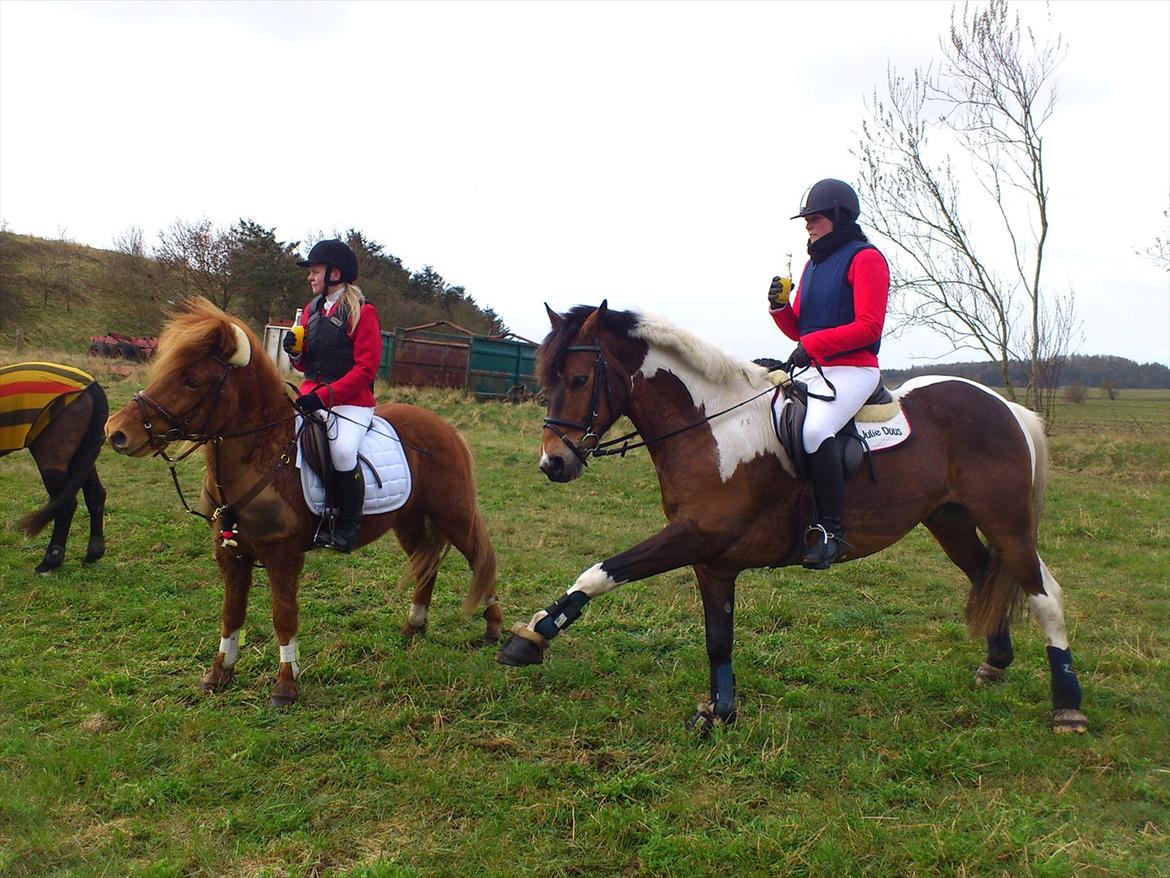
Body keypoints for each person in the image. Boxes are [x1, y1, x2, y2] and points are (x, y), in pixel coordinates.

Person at [768, 178, 890, 569]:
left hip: (854, 370)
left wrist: (813, 346)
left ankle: (831, 532)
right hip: (818, 368)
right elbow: (801, 330)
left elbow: (869, 326)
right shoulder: (812, 265)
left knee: (816, 430)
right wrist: (780, 309)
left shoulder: (866, 259)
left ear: (839, 217)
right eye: (806, 220)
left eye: (814, 218)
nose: (808, 225)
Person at [283, 239, 382, 552]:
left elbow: (365, 370)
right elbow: (305, 365)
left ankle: (349, 524)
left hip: (351, 404)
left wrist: (325, 398)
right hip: (311, 395)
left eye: (315, 272)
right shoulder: (311, 311)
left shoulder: (363, 313)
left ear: (335, 274)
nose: (310, 278)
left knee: (341, 452)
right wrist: (295, 354)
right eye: (309, 272)